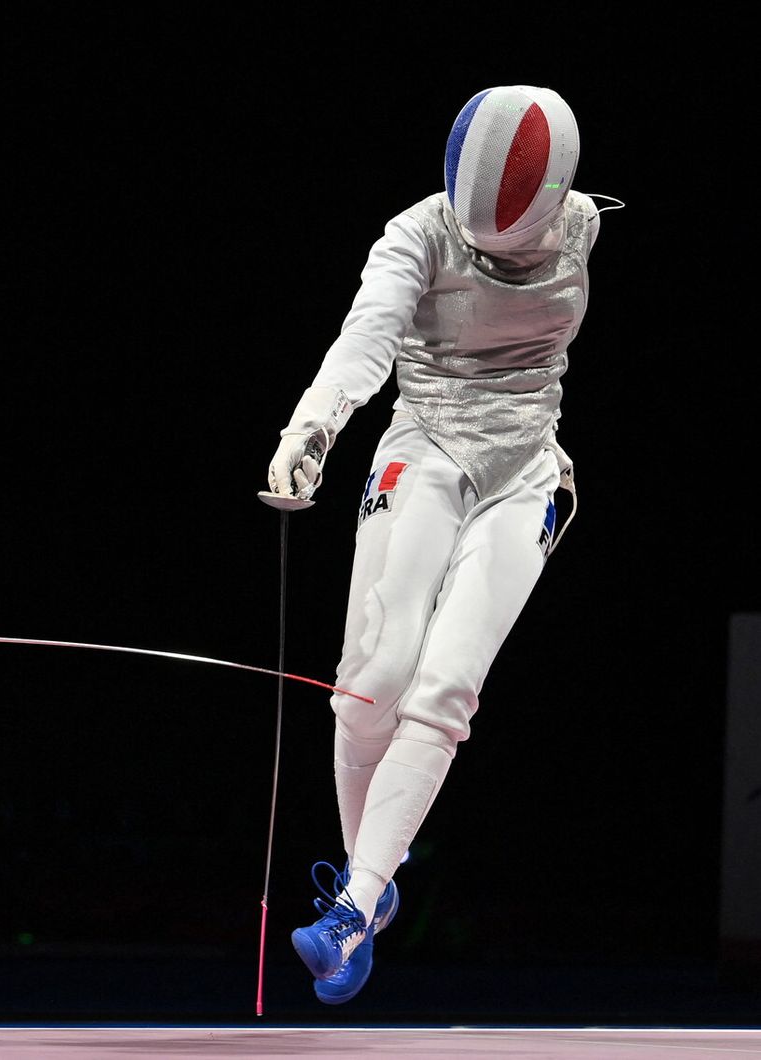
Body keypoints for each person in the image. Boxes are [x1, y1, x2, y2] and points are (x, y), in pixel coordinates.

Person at [263, 85, 615, 1004]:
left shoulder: (582, 225)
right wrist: (315, 426)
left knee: (448, 686)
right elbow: (367, 333)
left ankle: (355, 907)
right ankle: (362, 884)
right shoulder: (416, 232)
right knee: (373, 677)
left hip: (528, 474)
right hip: (424, 446)